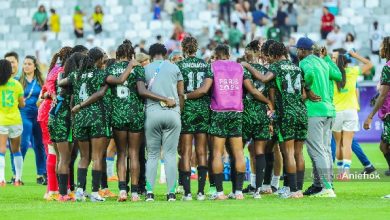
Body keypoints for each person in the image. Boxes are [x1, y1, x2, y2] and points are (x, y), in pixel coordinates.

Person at [244, 42, 307, 199]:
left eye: (270, 57)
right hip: (301, 112)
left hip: (286, 114)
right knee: (299, 153)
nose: (269, 60)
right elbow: (304, 93)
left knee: (289, 153)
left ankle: (292, 190)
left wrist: (248, 65)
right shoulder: (297, 68)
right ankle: (298, 188)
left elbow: (264, 79)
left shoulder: (277, 67)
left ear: (274, 55)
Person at [185, 44, 246, 200]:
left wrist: (185, 96)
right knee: (238, 152)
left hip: (219, 111)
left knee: (217, 153)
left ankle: (219, 193)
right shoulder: (239, 67)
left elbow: (204, 89)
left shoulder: (212, 67)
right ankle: (238, 192)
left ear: (216, 55)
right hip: (237, 111)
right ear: (228, 54)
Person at [59, 47, 110, 202]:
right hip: (95, 118)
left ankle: (80, 191)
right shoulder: (101, 74)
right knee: (96, 157)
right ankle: (95, 192)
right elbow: (115, 81)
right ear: (99, 59)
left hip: (80, 119)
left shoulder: (76, 74)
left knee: (84, 157)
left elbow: (61, 82)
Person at [295, 37, 340, 198]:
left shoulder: (305, 62)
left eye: (297, 49)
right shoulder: (322, 61)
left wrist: (307, 88)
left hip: (314, 110)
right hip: (329, 110)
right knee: (326, 149)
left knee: (316, 150)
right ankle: (324, 185)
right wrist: (327, 57)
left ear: (302, 50)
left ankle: (326, 187)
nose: (296, 52)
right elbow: (338, 75)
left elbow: (310, 74)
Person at [142, 43, 183, 202]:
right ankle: (171, 193)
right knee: (170, 155)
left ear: (151, 55)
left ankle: (150, 192)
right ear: (165, 54)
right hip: (172, 113)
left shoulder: (146, 69)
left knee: (152, 155)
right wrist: (178, 112)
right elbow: (180, 93)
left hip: (152, 113)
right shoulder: (174, 68)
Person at [104, 40, 144, 202]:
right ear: (131, 55)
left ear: (118, 55)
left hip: (118, 115)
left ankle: (122, 190)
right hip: (135, 114)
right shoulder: (138, 68)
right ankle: (134, 192)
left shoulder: (111, 68)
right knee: (134, 153)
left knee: (121, 153)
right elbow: (142, 91)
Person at [176, 36, 210, 201]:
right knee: (202, 151)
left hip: (186, 110)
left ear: (183, 48)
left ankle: (187, 193)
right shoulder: (205, 65)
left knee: (186, 152)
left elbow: (178, 91)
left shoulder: (179, 66)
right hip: (203, 110)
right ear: (196, 48)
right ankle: (201, 192)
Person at [38, 47, 73, 201]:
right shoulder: (62, 71)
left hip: (48, 113)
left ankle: (57, 189)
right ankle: (54, 190)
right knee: (57, 153)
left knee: (57, 153)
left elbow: (44, 92)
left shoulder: (55, 70)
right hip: (53, 114)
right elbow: (50, 94)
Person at [240, 40, 274, 199]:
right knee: (260, 152)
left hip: (246, 115)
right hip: (262, 115)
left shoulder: (243, 70)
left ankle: (238, 189)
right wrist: (270, 107)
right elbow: (271, 94)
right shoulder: (268, 72)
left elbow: (248, 92)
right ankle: (258, 190)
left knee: (238, 150)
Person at [333, 50, 372, 179]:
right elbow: (369, 64)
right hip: (351, 111)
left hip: (337, 111)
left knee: (338, 143)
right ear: (347, 62)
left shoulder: (332, 74)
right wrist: (355, 55)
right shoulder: (353, 71)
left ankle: (339, 172)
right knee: (348, 143)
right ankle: (346, 173)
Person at [49, 52, 83, 202]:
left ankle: (62, 191)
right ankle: (63, 194)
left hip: (54, 116)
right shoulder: (75, 77)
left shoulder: (61, 74)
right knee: (65, 158)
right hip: (64, 119)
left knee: (60, 158)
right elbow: (72, 103)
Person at [11, 56, 46, 185]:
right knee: (23, 144)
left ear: (35, 66)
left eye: (29, 64)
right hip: (23, 114)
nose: (26, 66)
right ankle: (16, 175)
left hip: (38, 115)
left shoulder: (41, 81)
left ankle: (41, 174)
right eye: (24, 64)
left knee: (39, 144)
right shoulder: (17, 80)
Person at [364, 37, 390, 179]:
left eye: (381, 46)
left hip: (389, 113)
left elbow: (384, 94)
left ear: (386, 48)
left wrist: (369, 116)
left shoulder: (388, 67)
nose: (379, 49)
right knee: (384, 146)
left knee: (384, 146)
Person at [0, 59, 25, 187]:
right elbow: (22, 104)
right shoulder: (16, 85)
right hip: (15, 120)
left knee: (1, 150)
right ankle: (18, 179)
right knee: (16, 150)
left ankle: (2, 179)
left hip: (1, 121)